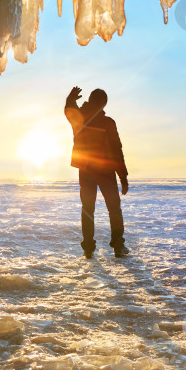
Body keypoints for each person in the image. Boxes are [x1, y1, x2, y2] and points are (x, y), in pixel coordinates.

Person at [64, 86, 130, 258]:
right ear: (103, 104)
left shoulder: (80, 118)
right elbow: (117, 150)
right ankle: (118, 245)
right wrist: (123, 177)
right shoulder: (107, 122)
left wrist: (71, 98)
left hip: (85, 170)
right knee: (114, 209)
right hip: (105, 171)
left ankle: (88, 248)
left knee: (88, 209)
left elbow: (69, 111)